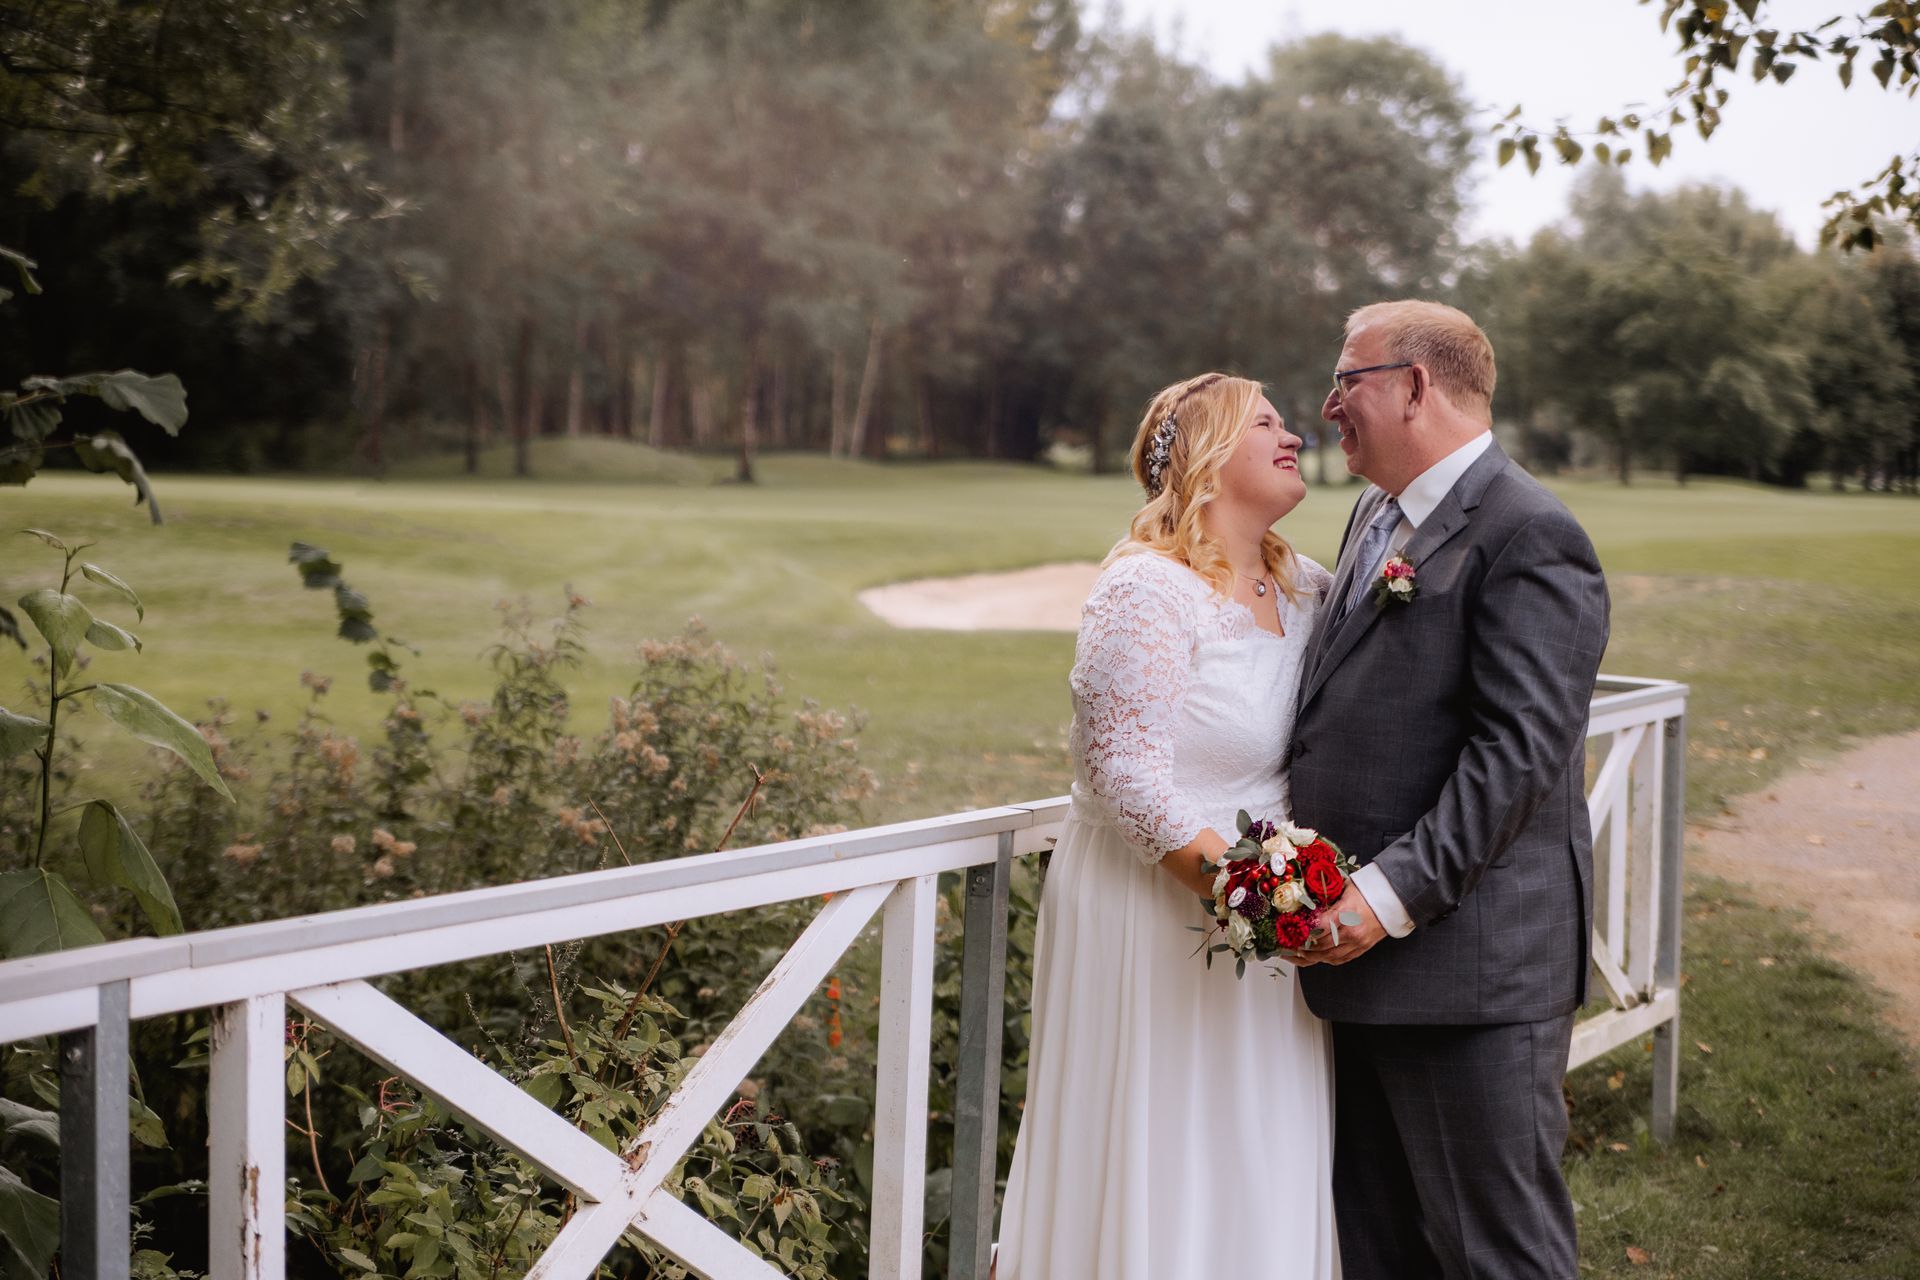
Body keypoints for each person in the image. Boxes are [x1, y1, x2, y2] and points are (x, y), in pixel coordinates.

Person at [1289, 300, 1610, 1280]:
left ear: (1414, 385)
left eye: (1348, 381)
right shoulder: (1372, 511)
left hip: (1467, 973)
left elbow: (1516, 753)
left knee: (1494, 1253)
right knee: (1383, 1249)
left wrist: (1381, 900)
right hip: (1366, 966)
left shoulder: (1530, 532)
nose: (1329, 404)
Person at [995, 373, 1340, 1280]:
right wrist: (1257, 897)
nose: (1294, 434)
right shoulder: (1148, 591)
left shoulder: (1303, 585)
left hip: (1276, 915)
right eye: (1268, 422)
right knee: (1168, 1130)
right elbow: (1125, 778)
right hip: (1161, 908)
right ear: (1212, 457)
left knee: (1262, 1132)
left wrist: (1287, 908)